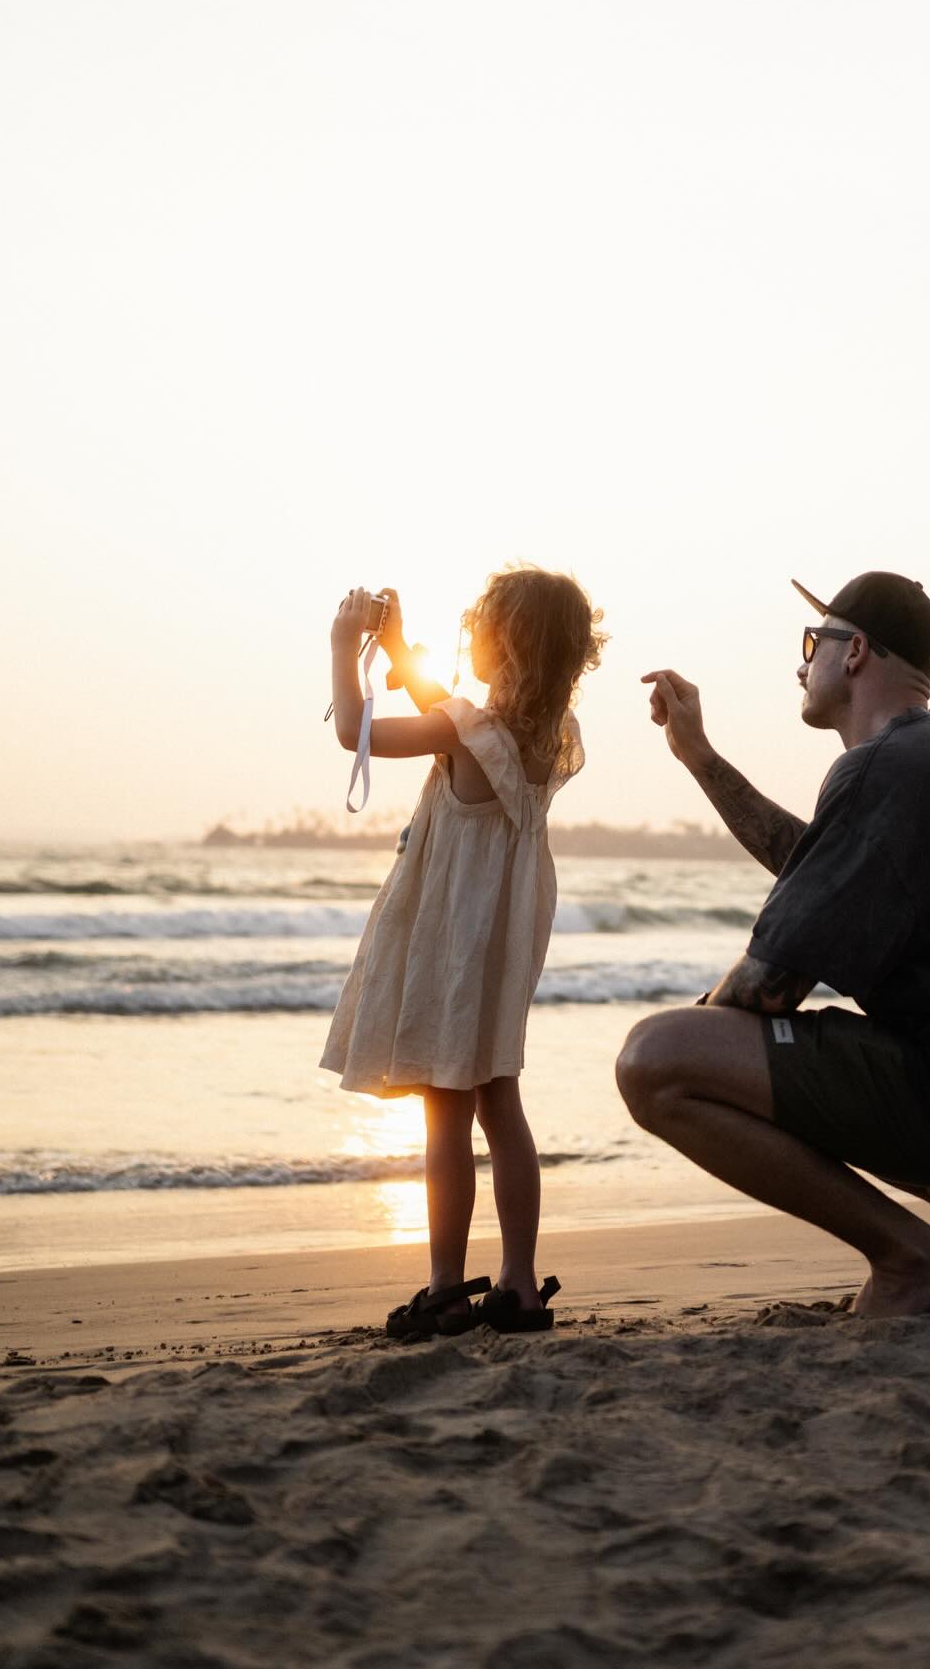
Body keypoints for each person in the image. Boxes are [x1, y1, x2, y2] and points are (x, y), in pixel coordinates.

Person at [618, 571, 930, 1319]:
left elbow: (769, 987)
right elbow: (818, 860)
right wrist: (701, 759)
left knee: (653, 1063)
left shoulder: (884, 768)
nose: (801, 662)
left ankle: (910, 1256)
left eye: (813, 642)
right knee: (746, 1049)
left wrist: (712, 1040)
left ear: (855, 655)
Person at [322, 570, 605, 1338]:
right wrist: (400, 648)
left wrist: (346, 648)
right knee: (499, 1099)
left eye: (478, 625)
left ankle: (447, 1287)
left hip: (453, 935)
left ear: (504, 643)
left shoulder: (463, 730)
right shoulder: (553, 735)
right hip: (507, 938)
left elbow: (357, 731)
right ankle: (516, 1284)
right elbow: (456, 717)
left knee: (444, 1108)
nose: (468, 635)